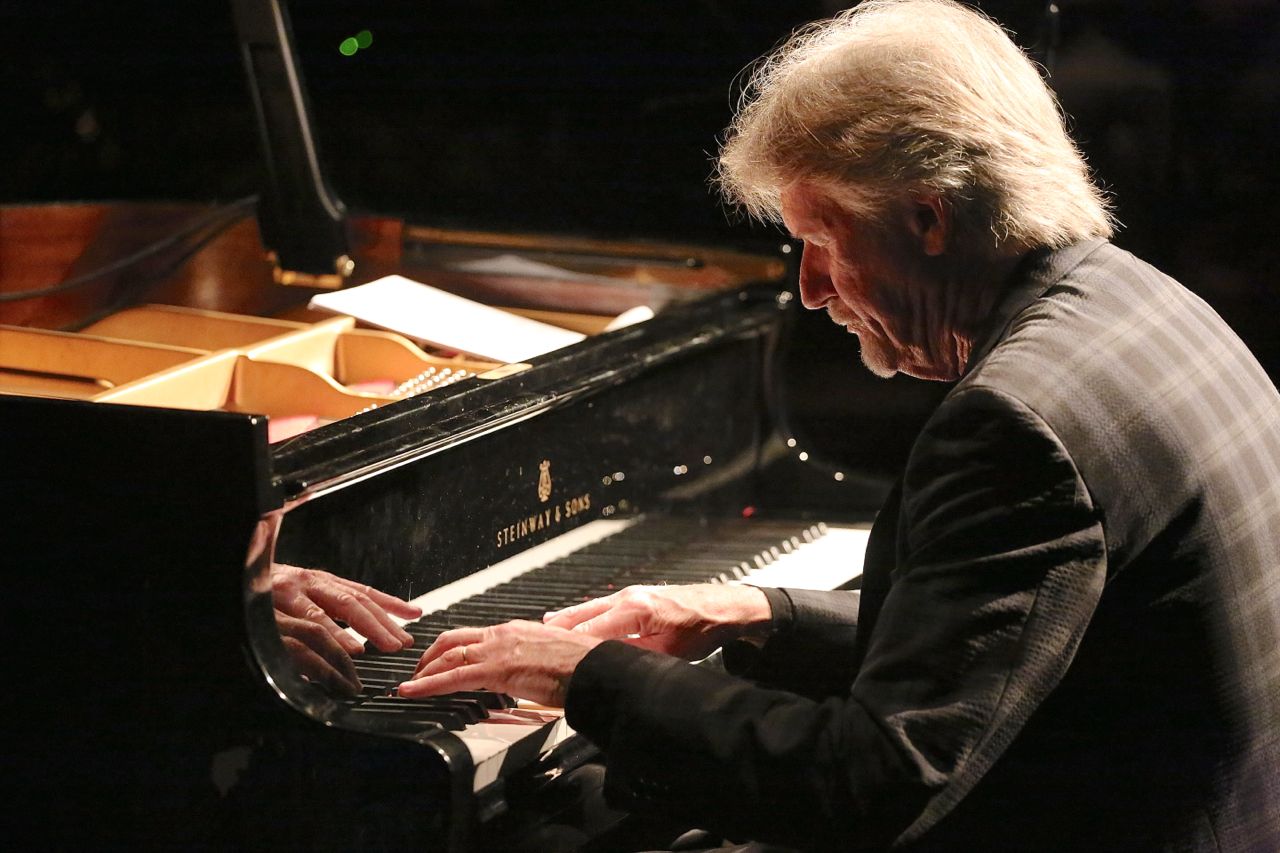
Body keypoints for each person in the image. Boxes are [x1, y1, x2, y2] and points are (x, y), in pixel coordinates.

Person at [397, 0, 1280, 849]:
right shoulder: (1138, 299)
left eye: (822, 241)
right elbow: (993, 637)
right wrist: (759, 611)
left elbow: (869, 781)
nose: (811, 290)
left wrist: (588, 677)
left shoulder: (1014, 424)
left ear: (927, 217)